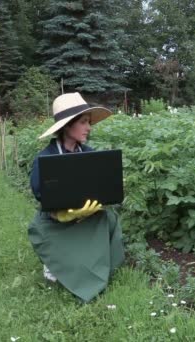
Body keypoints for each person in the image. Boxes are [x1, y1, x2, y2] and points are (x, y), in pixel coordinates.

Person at [27, 92, 125, 303]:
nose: (89, 128)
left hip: (86, 216)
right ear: (67, 126)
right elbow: (42, 198)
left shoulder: (90, 154)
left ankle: (100, 266)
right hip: (56, 221)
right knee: (40, 229)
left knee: (109, 218)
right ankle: (56, 262)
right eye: (83, 122)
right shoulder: (46, 159)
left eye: (89, 122)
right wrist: (64, 214)